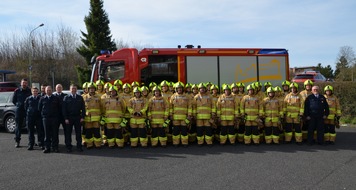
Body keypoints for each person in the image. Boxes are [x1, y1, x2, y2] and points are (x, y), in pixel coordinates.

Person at [62, 84, 86, 152]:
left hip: (77, 117)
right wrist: (66, 118)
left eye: (75, 88)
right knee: (68, 133)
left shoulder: (80, 98)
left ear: (76, 89)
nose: (73, 90)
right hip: (69, 118)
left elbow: (83, 108)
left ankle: (79, 146)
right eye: (72, 88)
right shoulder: (66, 98)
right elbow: (64, 109)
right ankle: (68, 147)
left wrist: (82, 117)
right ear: (70, 89)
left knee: (78, 133)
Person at [38, 86, 61, 153]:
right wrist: (43, 116)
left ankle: (55, 147)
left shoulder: (56, 98)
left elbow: (59, 108)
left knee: (55, 134)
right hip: (46, 119)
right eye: (47, 90)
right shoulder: (42, 99)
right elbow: (39, 108)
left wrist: (57, 117)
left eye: (50, 90)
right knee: (46, 134)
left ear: (52, 90)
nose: (49, 91)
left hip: (54, 118)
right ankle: (47, 147)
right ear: (45, 91)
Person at [170, 82, 192, 147]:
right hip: (175, 118)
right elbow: (170, 107)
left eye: (180, 88)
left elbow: (189, 107)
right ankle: (175, 143)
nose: (179, 89)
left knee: (184, 131)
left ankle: (184, 143)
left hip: (184, 117)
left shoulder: (187, 97)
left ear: (182, 89)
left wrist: (189, 115)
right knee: (176, 131)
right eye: (178, 88)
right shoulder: (173, 97)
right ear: (176, 89)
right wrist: (171, 115)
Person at [12, 78, 32, 148]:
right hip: (19, 111)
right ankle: (17, 141)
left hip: (27, 111)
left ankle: (31, 142)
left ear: (27, 84)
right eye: (23, 83)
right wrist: (18, 105)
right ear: (21, 83)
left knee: (29, 126)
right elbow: (13, 100)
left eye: (26, 83)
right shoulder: (17, 91)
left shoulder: (29, 91)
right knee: (18, 126)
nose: (24, 84)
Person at [83, 82, 103, 149]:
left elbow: (102, 107)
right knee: (88, 132)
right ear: (88, 89)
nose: (91, 90)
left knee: (96, 132)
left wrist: (102, 116)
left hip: (96, 118)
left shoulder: (99, 97)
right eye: (90, 88)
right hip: (88, 118)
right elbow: (81, 108)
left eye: (93, 88)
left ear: (95, 89)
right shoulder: (84, 97)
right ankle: (89, 144)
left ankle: (97, 144)